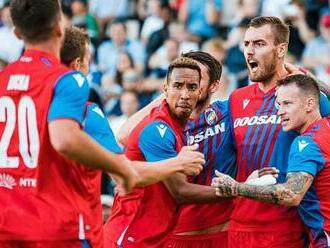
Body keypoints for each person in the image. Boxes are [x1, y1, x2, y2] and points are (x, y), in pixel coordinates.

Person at [0, 1, 203, 247]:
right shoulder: (70, 86)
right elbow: (66, 139)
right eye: (87, 61)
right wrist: (173, 163)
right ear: (58, 28)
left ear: (17, 32)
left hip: (9, 225)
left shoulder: (5, 80)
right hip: (60, 229)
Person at [60, 26, 207, 248]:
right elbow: (125, 174)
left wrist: (169, 93)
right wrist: (178, 163)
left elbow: (123, 135)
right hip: (68, 230)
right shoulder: (86, 113)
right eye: (89, 60)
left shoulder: (19, 98)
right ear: (78, 65)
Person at [104, 56, 234, 248]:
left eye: (191, 87)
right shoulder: (157, 128)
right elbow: (180, 191)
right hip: (129, 236)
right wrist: (240, 190)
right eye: (177, 85)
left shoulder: (179, 126)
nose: (184, 94)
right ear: (165, 89)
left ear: (202, 90)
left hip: (154, 236)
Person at [223, 16, 330, 247]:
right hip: (239, 226)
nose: (249, 51)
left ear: (281, 49)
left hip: (285, 228)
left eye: (259, 44)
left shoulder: (305, 97)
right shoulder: (235, 99)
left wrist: (310, 80)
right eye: (246, 44)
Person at [212, 74, 330, 248]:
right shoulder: (326, 126)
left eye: (287, 104)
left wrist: (235, 187)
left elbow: (291, 194)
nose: (280, 111)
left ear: (310, 104)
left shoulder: (306, 143)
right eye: (278, 104)